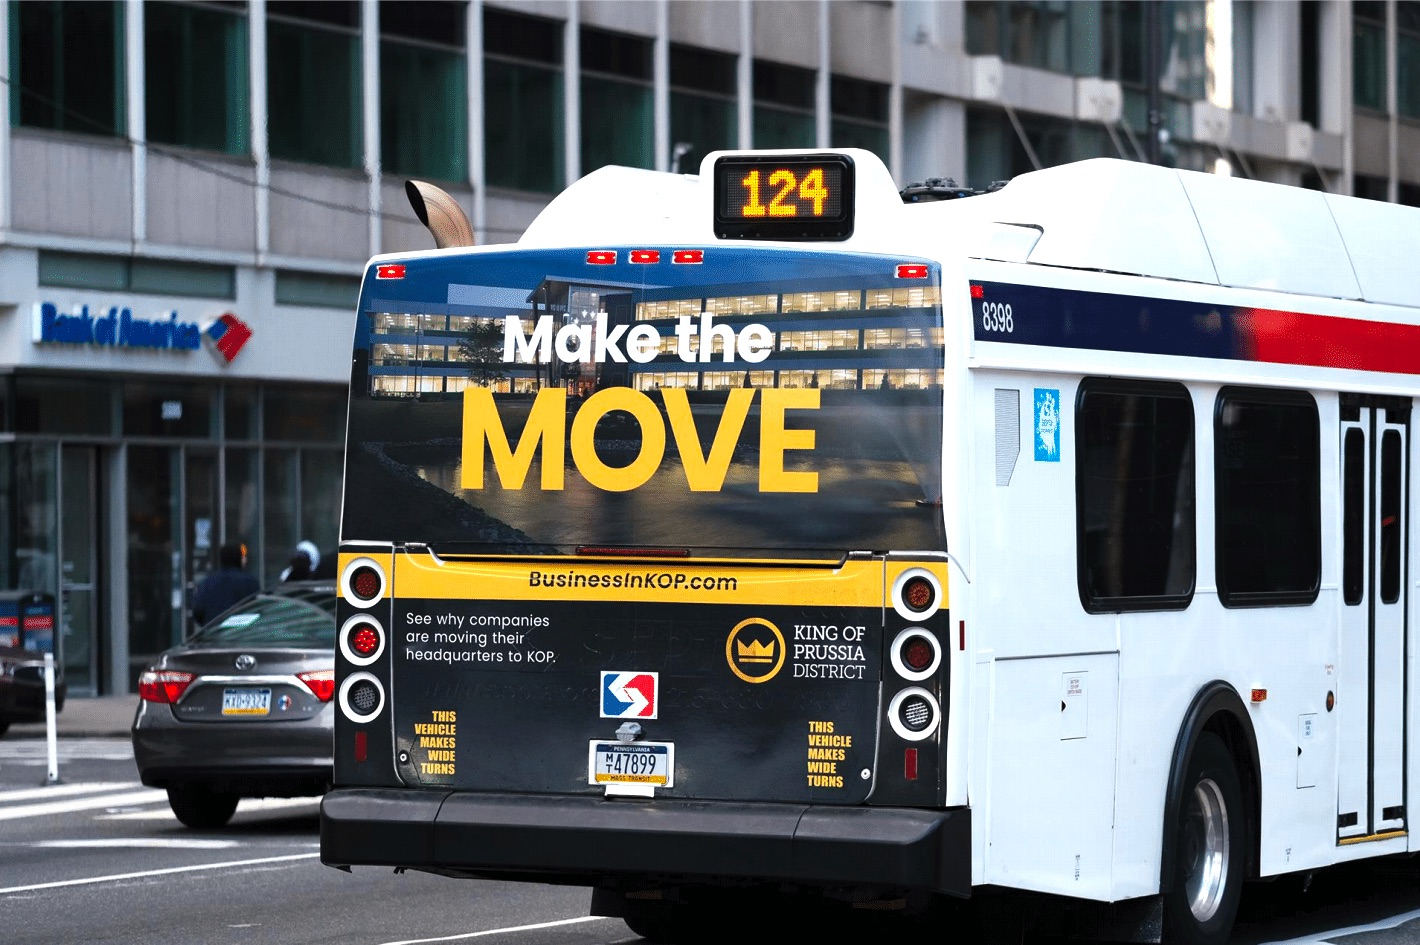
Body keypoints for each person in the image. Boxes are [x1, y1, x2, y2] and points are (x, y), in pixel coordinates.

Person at [190, 542, 259, 626]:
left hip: (214, 633)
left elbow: (198, 610)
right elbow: (257, 609)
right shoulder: (250, 582)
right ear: (238, 558)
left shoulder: (207, 583)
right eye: (243, 557)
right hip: (241, 634)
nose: (245, 560)